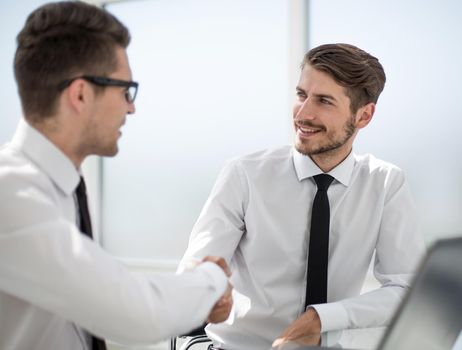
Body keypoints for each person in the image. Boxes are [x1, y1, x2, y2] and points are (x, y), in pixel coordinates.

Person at [0, 2, 232, 350]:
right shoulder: (11, 194)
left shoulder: (57, 189)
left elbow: (96, 292)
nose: (131, 106)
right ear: (80, 94)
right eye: (126, 89)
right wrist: (212, 278)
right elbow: (136, 313)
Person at [179, 43, 426, 350]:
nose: (303, 113)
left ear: (364, 116)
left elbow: (408, 287)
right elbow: (195, 271)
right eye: (301, 94)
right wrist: (205, 290)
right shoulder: (244, 174)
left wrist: (323, 319)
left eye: (324, 101)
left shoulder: (385, 183)